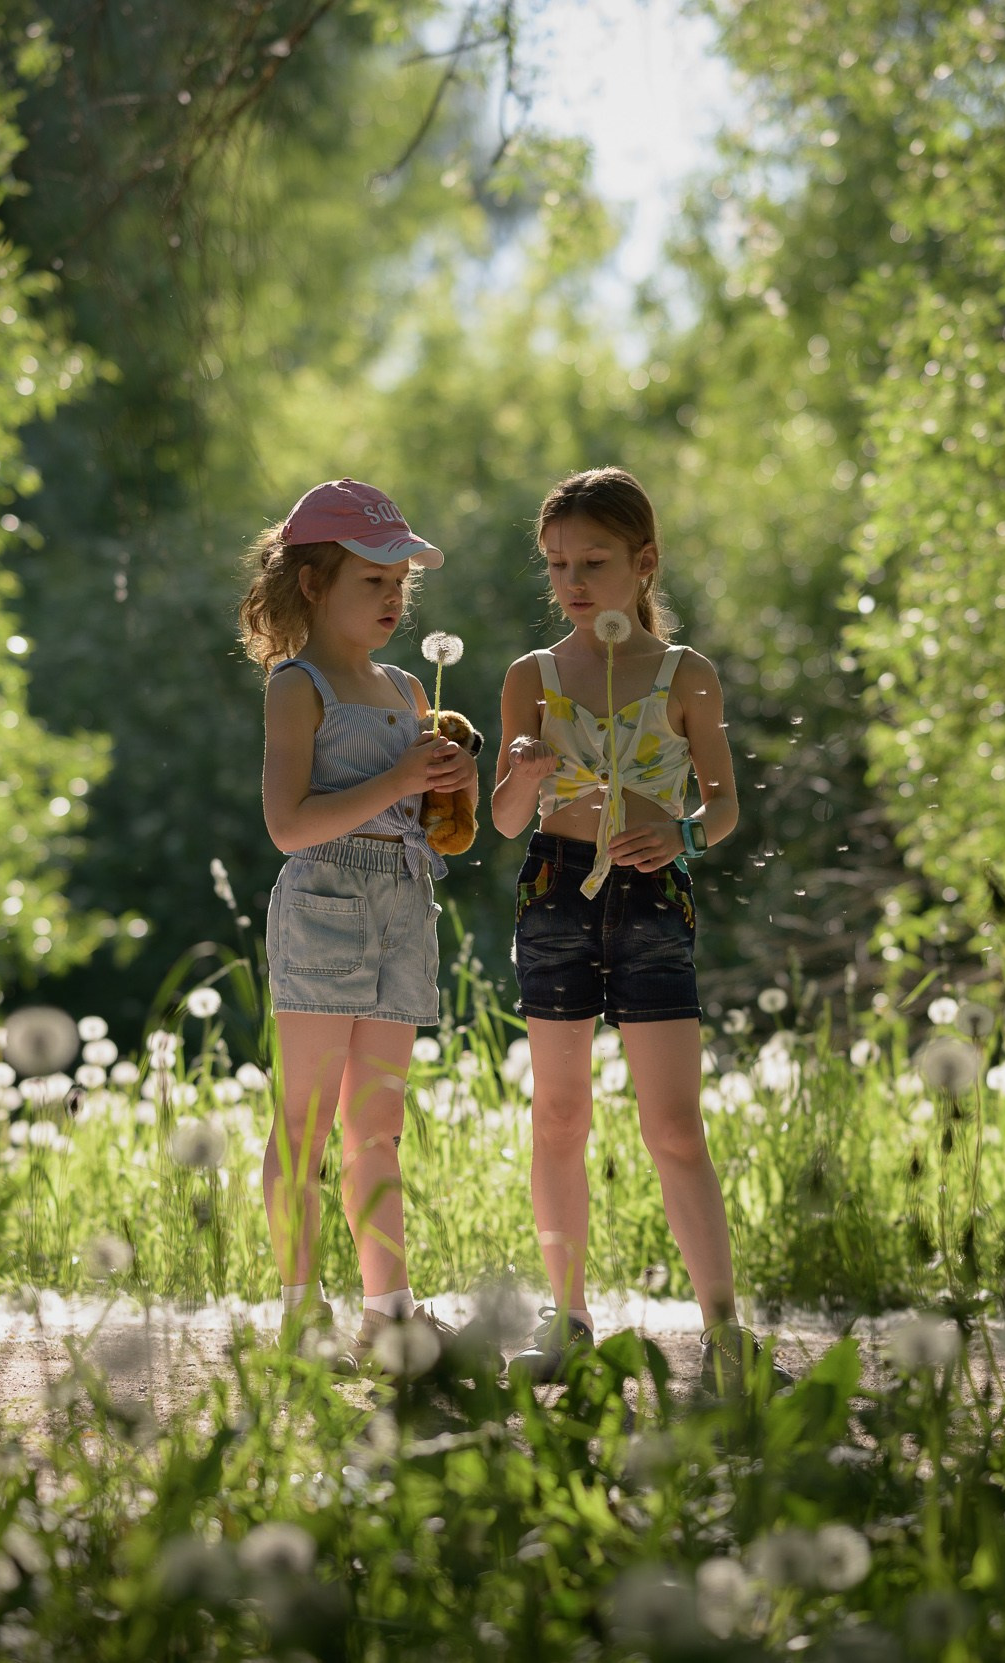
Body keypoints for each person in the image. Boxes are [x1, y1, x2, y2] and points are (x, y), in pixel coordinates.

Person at [489, 466, 788, 1394]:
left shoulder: (685, 674)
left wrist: (684, 829)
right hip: (555, 890)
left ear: (643, 562)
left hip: (655, 898)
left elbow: (727, 802)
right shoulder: (529, 678)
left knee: (673, 1123)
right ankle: (569, 1318)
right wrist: (529, 775)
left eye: (595, 561)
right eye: (558, 564)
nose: (574, 581)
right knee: (558, 1115)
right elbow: (501, 821)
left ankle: (725, 1331)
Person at [241, 478, 476, 1367]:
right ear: (313, 582)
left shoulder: (413, 685)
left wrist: (449, 789)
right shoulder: (296, 687)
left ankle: (389, 1310)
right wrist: (399, 782)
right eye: (372, 580)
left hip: (402, 910)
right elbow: (288, 825)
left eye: (399, 584)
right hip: (324, 909)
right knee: (303, 1124)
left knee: (376, 1127)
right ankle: (302, 1314)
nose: (392, 598)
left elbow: (422, 818)